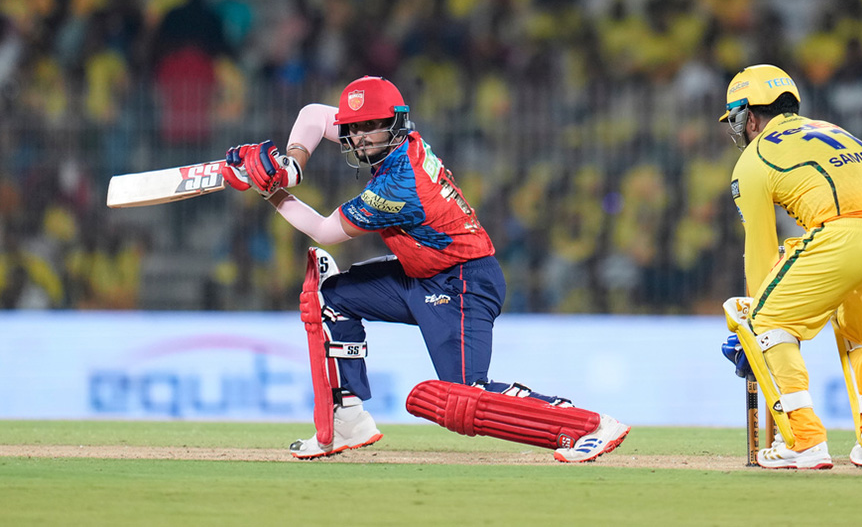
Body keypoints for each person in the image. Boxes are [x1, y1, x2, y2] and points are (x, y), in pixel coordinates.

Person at [222, 75, 630, 463]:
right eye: (353, 127)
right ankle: (347, 422)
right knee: (333, 298)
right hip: (420, 273)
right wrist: (291, 166)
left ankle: (586, 425)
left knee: (465, 395)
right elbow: (312, 114)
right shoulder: (397, 142)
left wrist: (270, 189)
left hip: (463, 281)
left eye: (370, 127)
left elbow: (325, 231)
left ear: (395, 124)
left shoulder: (397, 185)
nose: (359, 136)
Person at [718, 64, 862, 470]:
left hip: (848, 234)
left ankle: (805, 439)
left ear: (750, 116)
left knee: (766, 320)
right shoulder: (829, 128)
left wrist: (755, 331)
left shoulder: (753, 159)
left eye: (737, 119)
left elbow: (761, 255)